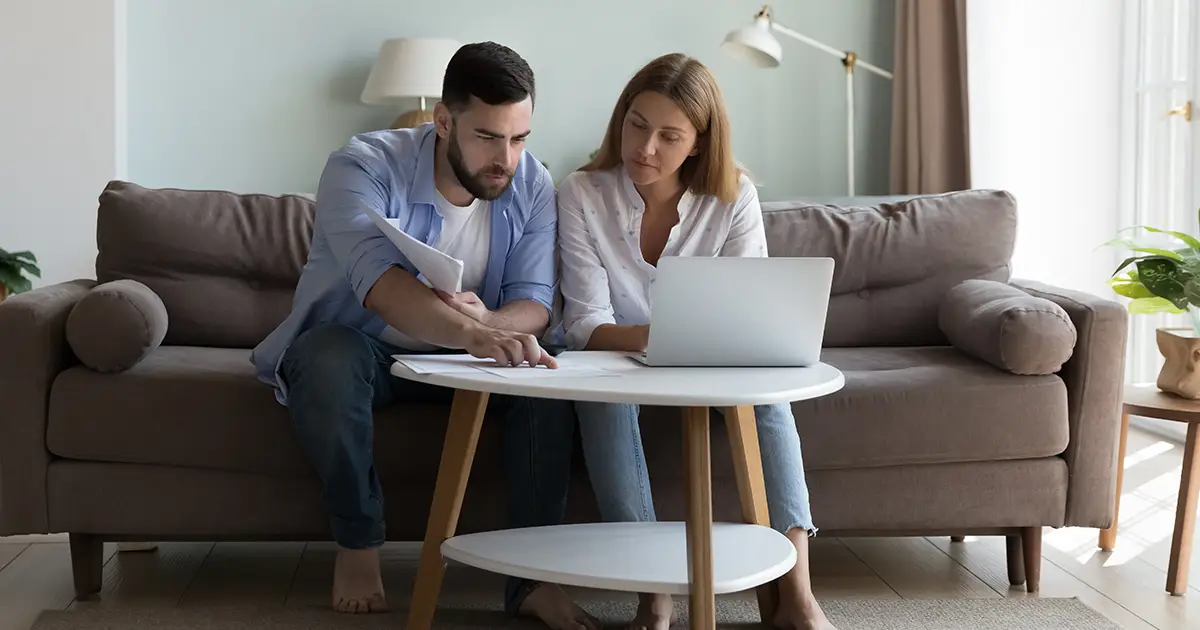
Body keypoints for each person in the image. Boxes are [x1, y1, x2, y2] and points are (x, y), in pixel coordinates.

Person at [250, 41, 595, 629]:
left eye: (519, 138)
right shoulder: (360, 166)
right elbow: (379, 284)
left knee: (547, 377)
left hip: (472, 364)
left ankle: (534, 581)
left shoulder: (533, 184)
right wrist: (473, 333)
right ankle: (358, 546)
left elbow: (534, 304)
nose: (504, 159)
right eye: (487, 137)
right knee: (326, 355)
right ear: (442, 120)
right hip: (370, 351)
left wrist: (487, 326)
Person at [552, 53, 838, 630]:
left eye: (668, 136)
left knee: (771, 400)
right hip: (613, 361)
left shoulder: (734, 200)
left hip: (713, 365)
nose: (645, 147)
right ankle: (653, 598)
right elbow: (586, 325)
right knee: (595, 393)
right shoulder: (581, 193)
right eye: (636, 124)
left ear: (699, 144)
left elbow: (749, 314)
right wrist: (661, 339)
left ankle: (798, 595)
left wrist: (688, 342)